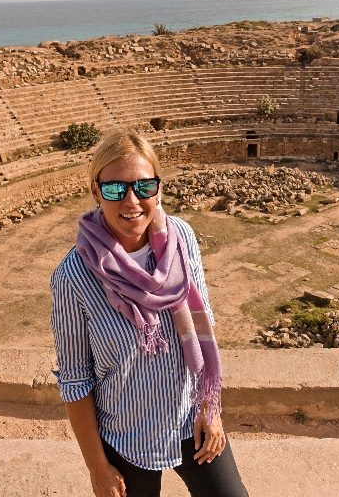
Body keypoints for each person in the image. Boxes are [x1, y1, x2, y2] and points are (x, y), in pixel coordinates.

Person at [51, 132, 249, 497]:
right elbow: (76, 382)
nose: (132, 200)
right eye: (115, 189)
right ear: (95, 192)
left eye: (144, 186)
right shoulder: (73, 277)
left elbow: (204, 329)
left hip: (192, 422)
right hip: (127, 440)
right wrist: (98, 469)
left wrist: (211, 408)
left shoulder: (182, 239)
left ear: (158, 188)